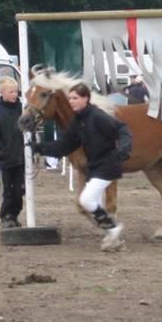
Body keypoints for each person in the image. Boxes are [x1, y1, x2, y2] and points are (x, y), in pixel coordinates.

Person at [30, 82, 132, 251]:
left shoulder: (97, 116)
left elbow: (121, 129)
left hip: (107, 165)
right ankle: (114, 237)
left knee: (85, 199)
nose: (72, 101)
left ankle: (113, 229)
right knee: (90, 202)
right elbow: (64, 145)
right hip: (95, 166)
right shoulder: (78, 121)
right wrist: (38, 148)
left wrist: (124, 149)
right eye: (70, 98)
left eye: (75, 98)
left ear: (86, 99)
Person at [0, 77, 25, 228]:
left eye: (16, 91)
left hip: (21, 160)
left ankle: (14, 215)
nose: (15, 94)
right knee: (7, 192)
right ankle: (6, 216)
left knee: (19, 192)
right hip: (6, 161)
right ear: (2, 92)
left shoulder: (23, 110)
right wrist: (0, 154)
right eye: (11, 91)